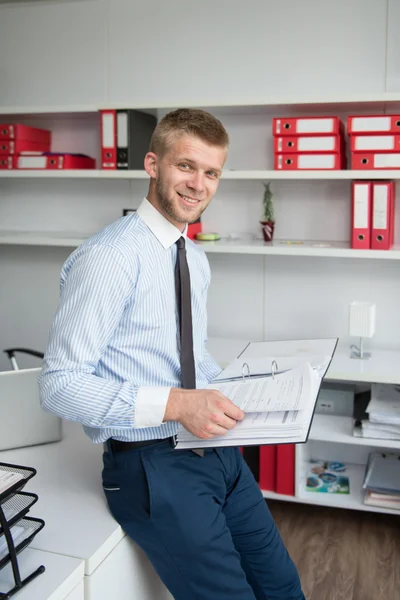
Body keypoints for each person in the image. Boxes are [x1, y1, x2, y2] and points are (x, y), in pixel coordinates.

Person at [39, 108, 305, 600]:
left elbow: (187, 356)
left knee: (283, 588)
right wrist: (181, 405)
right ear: (152, 164)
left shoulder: (193, 258)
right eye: (186, 166)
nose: (198, 184)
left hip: (218, 453)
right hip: (150, 466)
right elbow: (59, 384)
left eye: (211, 172)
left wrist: (240, 387)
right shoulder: (109, 257)